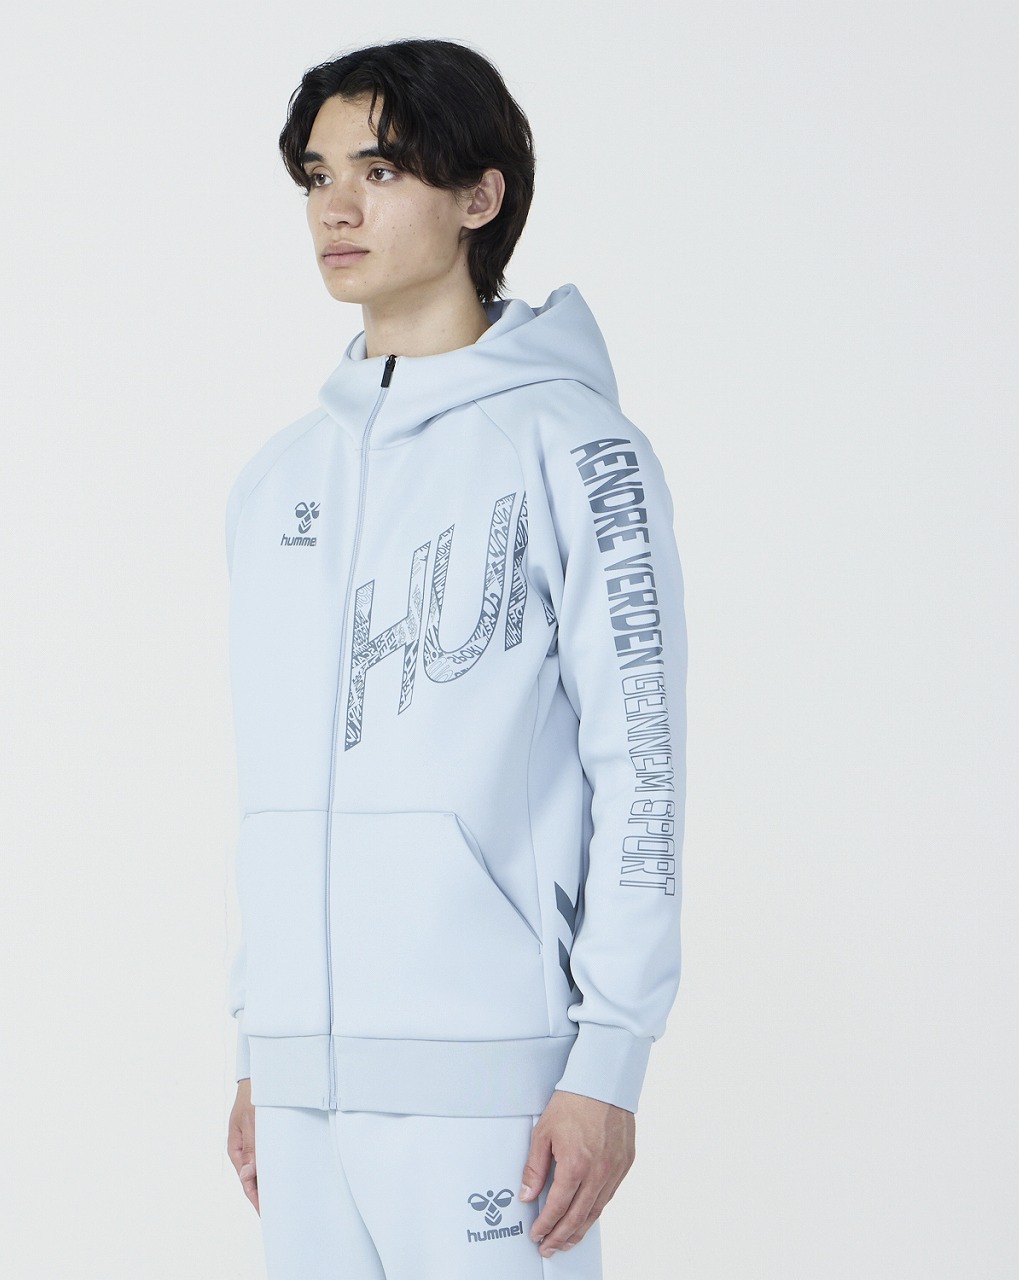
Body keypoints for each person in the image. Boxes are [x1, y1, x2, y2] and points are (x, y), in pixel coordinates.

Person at [222, 37, 687, 1280]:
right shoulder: (277, 481)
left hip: (494, 1092)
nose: (335, 207)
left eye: (378, 170)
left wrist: (608, 1058)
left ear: (480, 195)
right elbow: (274, 789)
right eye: (317, 174)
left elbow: (640, 764)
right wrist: (262, 1047)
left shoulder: (575, 449)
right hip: (302, 1097)